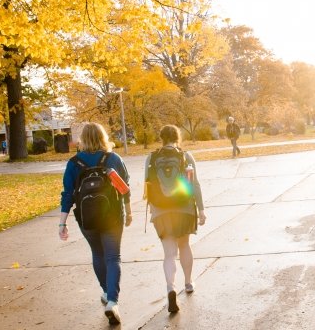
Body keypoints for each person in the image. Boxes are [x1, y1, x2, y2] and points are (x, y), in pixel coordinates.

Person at [58, 122, 132, 325]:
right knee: (113, 256)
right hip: (113, 216)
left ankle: (106, 292)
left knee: (98, 254)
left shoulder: (73, 163)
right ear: (103, 137)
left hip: (86, 218)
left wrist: (62, 223)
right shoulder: (113, 159)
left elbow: (68, 194)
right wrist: (130, 211)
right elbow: (125, 187)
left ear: (83, 139)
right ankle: (112, 301)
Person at [145, 125, 206, 313]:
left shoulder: (152, 158)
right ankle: (188, 283)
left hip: (161, 211)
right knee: (184, 246)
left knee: (169, 253)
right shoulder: (186, 156)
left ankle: (170, 287)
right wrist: (201, 210)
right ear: (177, 137)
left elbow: (147, 186)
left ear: (161, 138)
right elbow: (194, 184)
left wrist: (153, 210)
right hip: (184, 209)